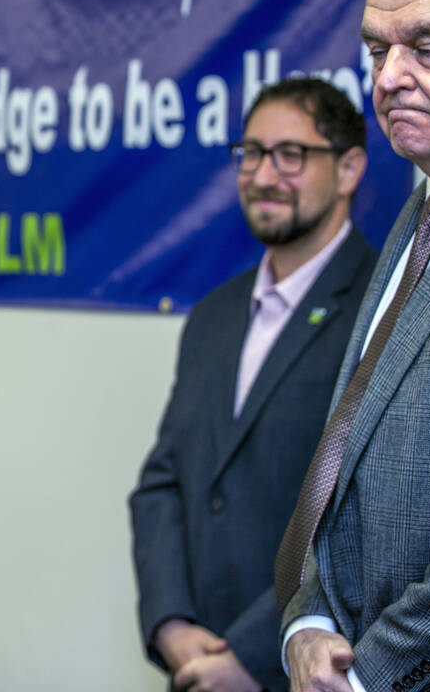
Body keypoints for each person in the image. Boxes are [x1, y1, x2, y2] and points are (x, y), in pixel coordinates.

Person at [130, 78, 374, 692]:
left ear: (348, 170)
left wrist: (253, 654)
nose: (265, 174)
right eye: (252, 153)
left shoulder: (384, 309)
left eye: (292, 155)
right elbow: (164, 482)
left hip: (308, 670)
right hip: (197, 665)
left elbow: (367, 517)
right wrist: (172, 626)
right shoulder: (213, 315)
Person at [277, 0, 430, 692]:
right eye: (377, 50)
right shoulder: (419, 222)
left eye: (428, 47)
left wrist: (369, 676)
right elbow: (347, 455)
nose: (387, 79)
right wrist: (310, 622)